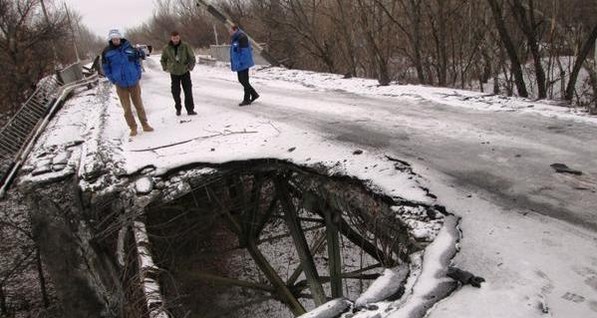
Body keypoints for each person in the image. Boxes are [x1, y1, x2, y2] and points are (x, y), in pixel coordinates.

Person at [101, 29, 153, 137]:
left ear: (120, 38)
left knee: (139, 105)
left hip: (133, 81)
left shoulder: (129, 48)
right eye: (114, 39)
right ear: (111, 40)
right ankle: (133, 127)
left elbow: (137, 61)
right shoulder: (107, 52)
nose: (116, 40)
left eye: (117, 38)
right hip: (120, 84)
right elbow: (106, 68)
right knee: (127, 108)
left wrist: (138, 74)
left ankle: (145, 124)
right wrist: (113, 79)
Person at [160, 31, 197, 116]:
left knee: (188, 91)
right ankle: (178, 108)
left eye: (177, 38)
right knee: (175, 92)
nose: (175, 40)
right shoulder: (167, 48)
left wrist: (190, 67)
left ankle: (190, 109)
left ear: (179, 37)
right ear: (171, 38)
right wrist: (165, 67)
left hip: (185, 71)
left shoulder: (185, 46)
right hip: (174, 73)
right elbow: (163, 59)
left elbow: (192, 57)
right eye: (174, 38)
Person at [229, 25, 259, 106]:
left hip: (243, 63)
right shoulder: (236, 37)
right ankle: (254, 94)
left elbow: (245, 52)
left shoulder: (242, 37)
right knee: (242, 80)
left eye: (231, 30)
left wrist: (240, 62)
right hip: (239, 63)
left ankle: (247, 99)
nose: (229, 32)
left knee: (244, 81)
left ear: (235, 30)